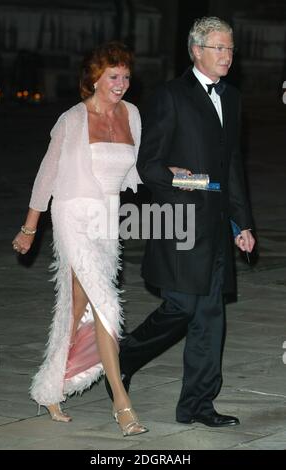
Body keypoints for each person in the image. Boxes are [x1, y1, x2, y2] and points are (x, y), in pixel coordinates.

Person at [105, 17, 255, 427]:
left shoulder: (233, 97)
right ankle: (122, 356)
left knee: (210, 317)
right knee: (181, 306)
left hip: (217, 227)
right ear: (196, 50)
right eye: (219, 48)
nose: (227, 56)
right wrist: (185, 179)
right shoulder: (171, 96)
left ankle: (198, 405)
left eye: (230, 49)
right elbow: (148, 165)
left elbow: (233, 165)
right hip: (180, 222)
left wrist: (242, 222)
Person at [12, 41, 148, 437]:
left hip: (107, 216)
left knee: (77, 307)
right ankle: (122, 403)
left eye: (125, 76)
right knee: (107, 305)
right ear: (94, 78)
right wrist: (30, 227)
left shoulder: (132, 115)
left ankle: (50, 387)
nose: (121, 83)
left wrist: (177, 175)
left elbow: (139, 167)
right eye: (113, 76)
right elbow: (47, 174)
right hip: (72, 212)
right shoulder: (72, 119)